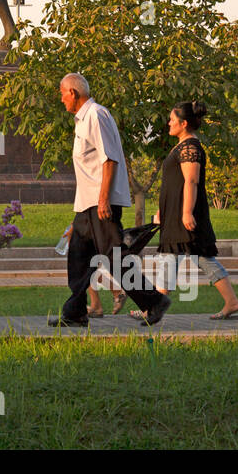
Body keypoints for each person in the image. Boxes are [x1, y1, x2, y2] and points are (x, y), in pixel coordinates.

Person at [48, 73, 170, 328]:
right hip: (86, 205)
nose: (60, 100)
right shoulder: (81, 121)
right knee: (79, 258)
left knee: (114, 257)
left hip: (100, 204)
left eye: (62, 94)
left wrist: (104, 200)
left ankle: (154, 302)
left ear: (73, 93)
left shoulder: (96, 115)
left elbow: (110, 158)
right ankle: (75, 313)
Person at [151, 101, 238, 321]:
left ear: (184, 123)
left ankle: (154, 306)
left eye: (172, 120)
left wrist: (186, 213)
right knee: (190, 256)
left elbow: (191, 181)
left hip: (186, 213)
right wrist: (162, 211)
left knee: (183, 256)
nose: (169, 123)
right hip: (176, 213)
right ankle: (231, 301)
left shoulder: (190, 147)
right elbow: (173, 183)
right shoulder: (182, 145)